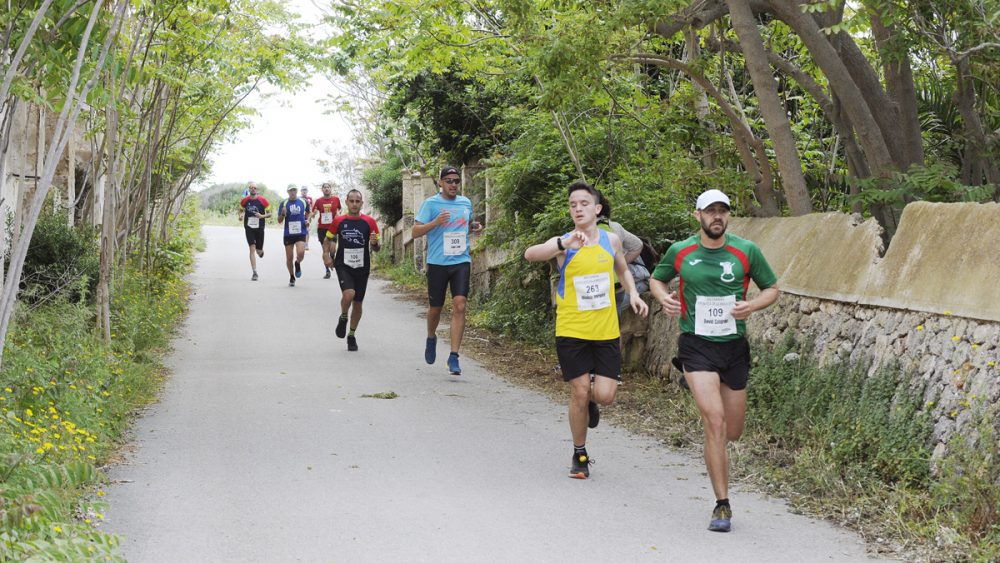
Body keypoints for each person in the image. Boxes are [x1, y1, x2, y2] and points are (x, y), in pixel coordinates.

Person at [649, 189, 779, 533]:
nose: (716, 216)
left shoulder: (746, 251)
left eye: (722, 210)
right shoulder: (681, 251)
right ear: (698, 216)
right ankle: (722, 505)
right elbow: (656, 279)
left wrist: (751, 305)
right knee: (716, 422)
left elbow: (772, 289)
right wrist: (665, 299)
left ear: (728, 216)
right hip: (696, 344)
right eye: (710, 211)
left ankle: (695, 381)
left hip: (733, 347)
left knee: (733, 431)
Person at [524, 180, 649, 479]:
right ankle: (579, 453)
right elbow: (530, 254)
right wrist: (561, 245)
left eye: (583, 203)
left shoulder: (612, 240)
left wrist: (632, 292)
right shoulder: (564, 243)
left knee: (604, 395)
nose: (577, 208)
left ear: (597, 209)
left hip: (605, 330)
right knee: (579, 390)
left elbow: (621, 268)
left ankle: (591, 404)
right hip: (571, 329)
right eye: (572, 205)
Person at [412, 166, 482, 375]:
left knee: (460, 305)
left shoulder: (465, 202)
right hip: (437, 263)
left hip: (461, 261)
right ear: (440, 183)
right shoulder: (431, 204)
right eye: (449, 181)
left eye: (456, 181)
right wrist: (436, 221)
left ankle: (453, 357)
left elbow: (465, 225)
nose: (453, 184)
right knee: (436, 307)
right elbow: (415, 231)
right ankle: (431, 337)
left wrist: (474, 227)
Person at [327, 189, 380, 351]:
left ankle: (351, 335)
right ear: (347, 202)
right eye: (352, 201)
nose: (355, 204)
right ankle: (343, 316)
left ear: (362, 203)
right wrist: (326, 255)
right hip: (343, 264)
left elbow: (377, 248)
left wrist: (374, 243)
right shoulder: (339, 221)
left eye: (358, 201)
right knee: (349, 294)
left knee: (358, 303)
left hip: (362, 266)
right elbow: (328, 238)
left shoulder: (370, 222)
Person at [595, 191, 648, 318]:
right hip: (622, 284)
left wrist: (619, 263)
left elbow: (637, 245)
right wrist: (621, 262)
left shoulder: (595, 230)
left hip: (617, 284)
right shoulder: (614, 226)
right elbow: (638, 245)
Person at [277, 186, 310, 287]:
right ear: (287, 192)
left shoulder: (303, 202)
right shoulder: (284, 203)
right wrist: (282, 215)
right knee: (289, 257)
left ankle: (298, 262)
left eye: (294, 190)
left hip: (301, 232)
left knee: (301, 252)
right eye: (290, 190)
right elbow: (279, 221)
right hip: (289, 233)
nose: (293, 192)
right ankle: (291, 276)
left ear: (297, 191)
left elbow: (308, 212)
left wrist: (307, 220)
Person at [238, 182, 271, 281]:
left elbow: (270, 214)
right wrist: (240, 216)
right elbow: (240, 210)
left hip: (260, 228)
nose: (253, 189)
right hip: (249, 228)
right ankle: (254, 272)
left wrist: (262, 216)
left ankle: (260, 252)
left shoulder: (263, 200)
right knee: (252, 249)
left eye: (255, 188)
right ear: (249, 189)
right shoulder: (244, 200)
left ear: (257, 189)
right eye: (251, 187)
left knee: (258, 251)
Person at [312, 182, 342, 279]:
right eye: (324, 187)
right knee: (325, 250)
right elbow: (313, 211)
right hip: (322, 228)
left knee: (333, 249)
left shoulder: (336, 199)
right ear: (322, 190)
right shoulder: (319, 201)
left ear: (330, 189)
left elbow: (340, 209)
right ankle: (327, 271)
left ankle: (332, 260)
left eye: (328, 187)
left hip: (333, 227)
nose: (326, 189)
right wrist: (314, 213)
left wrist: (338, 214)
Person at [300, 187, 315, 251]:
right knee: (300, 230)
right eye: (303, 190)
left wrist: (312, 215)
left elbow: (313, 207)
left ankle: (306, 244)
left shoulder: (310, 198)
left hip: (307, 216)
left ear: (307, 191)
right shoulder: (298, 198)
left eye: (305, 190)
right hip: (300, 217)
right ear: (301, 191)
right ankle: (300, 243)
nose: (304, 191)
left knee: (307, 230)